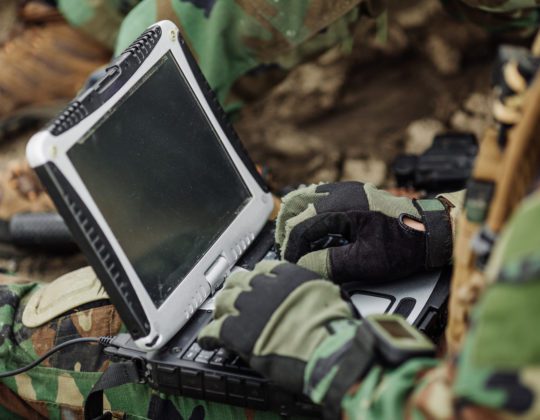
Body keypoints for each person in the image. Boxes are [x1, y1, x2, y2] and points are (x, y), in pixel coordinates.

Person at [0, 1, 539, 420]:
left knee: (39, 337)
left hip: (410, 385)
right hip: (482, 306)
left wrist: (335, 358)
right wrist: (438, 226)